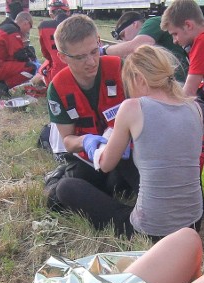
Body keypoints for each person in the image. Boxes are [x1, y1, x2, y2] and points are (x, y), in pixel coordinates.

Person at [54, 45, 203, 239]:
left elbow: (106, 165)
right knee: (129, 160)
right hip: (193, 224)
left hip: (152, 231)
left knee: (65, 188)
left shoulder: (132, 107)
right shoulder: (194, 107)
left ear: (139, 79)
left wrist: (95, 147)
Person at [44, 15, 139, 209]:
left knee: (121, 186)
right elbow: (68, 141)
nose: (91, 62)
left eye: (94, 51)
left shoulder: (118, 68)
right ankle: (59, 177)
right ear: (62, 57)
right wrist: (86, 141)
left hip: (125, 152)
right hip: (89, 158)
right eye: (80, 57)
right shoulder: (58, 88)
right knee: (59, 200)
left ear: (99, 43)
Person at [104, 11, 189, 83]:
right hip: (170, 82)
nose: (124, 41)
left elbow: (134, 46)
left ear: (135, 24)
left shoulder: (153, 22)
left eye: (123, 35)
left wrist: (104, 50)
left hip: (176, 83)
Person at [0, 11, 38, 99]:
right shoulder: (12, 32)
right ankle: (2, 89)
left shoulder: (4, 28)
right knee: (30, 67)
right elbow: (20, 56)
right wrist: (31, 58)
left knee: (11, 65)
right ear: (26, 23)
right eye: (30, 27)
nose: (29, 30)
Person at [35, 0, 71, 86]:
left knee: (43, 68)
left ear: (51, 14)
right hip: (83, 73)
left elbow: (46, 54)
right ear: (68, 12)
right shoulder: (82, 24)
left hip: (57, 77)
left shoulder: (44, 26)